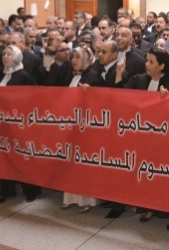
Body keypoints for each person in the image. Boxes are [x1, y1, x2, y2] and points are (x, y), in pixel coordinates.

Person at [116, 47, 169, 229]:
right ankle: (150, 207)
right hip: (143, 136)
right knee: (147, 174)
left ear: (161, 66)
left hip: (165, 139)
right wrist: (120, 75)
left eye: (151, 62)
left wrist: (168, 99)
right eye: (146, 60)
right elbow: (121, 96)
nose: (147, 64)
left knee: (165, 176)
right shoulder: (140, 80)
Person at [0, 44, 41, 203]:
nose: (5, 57)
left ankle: (30, 190)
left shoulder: (24, 76)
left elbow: (35, 99)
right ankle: (7, 189)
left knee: (21, 158)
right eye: (3, 54)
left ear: (17, 56)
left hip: (18, 126)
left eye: (9, 54)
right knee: (3, 158)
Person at [60, 46, 103, 213]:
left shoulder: (93, 76)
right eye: (73, 57)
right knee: (69, 163)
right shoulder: (72, 76)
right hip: (71, 124)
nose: (74, 60)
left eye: (78, 57)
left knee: (83, 164)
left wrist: (88, 94)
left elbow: (100, 102)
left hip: (86, 128)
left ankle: (86, 200)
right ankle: (70, 198)